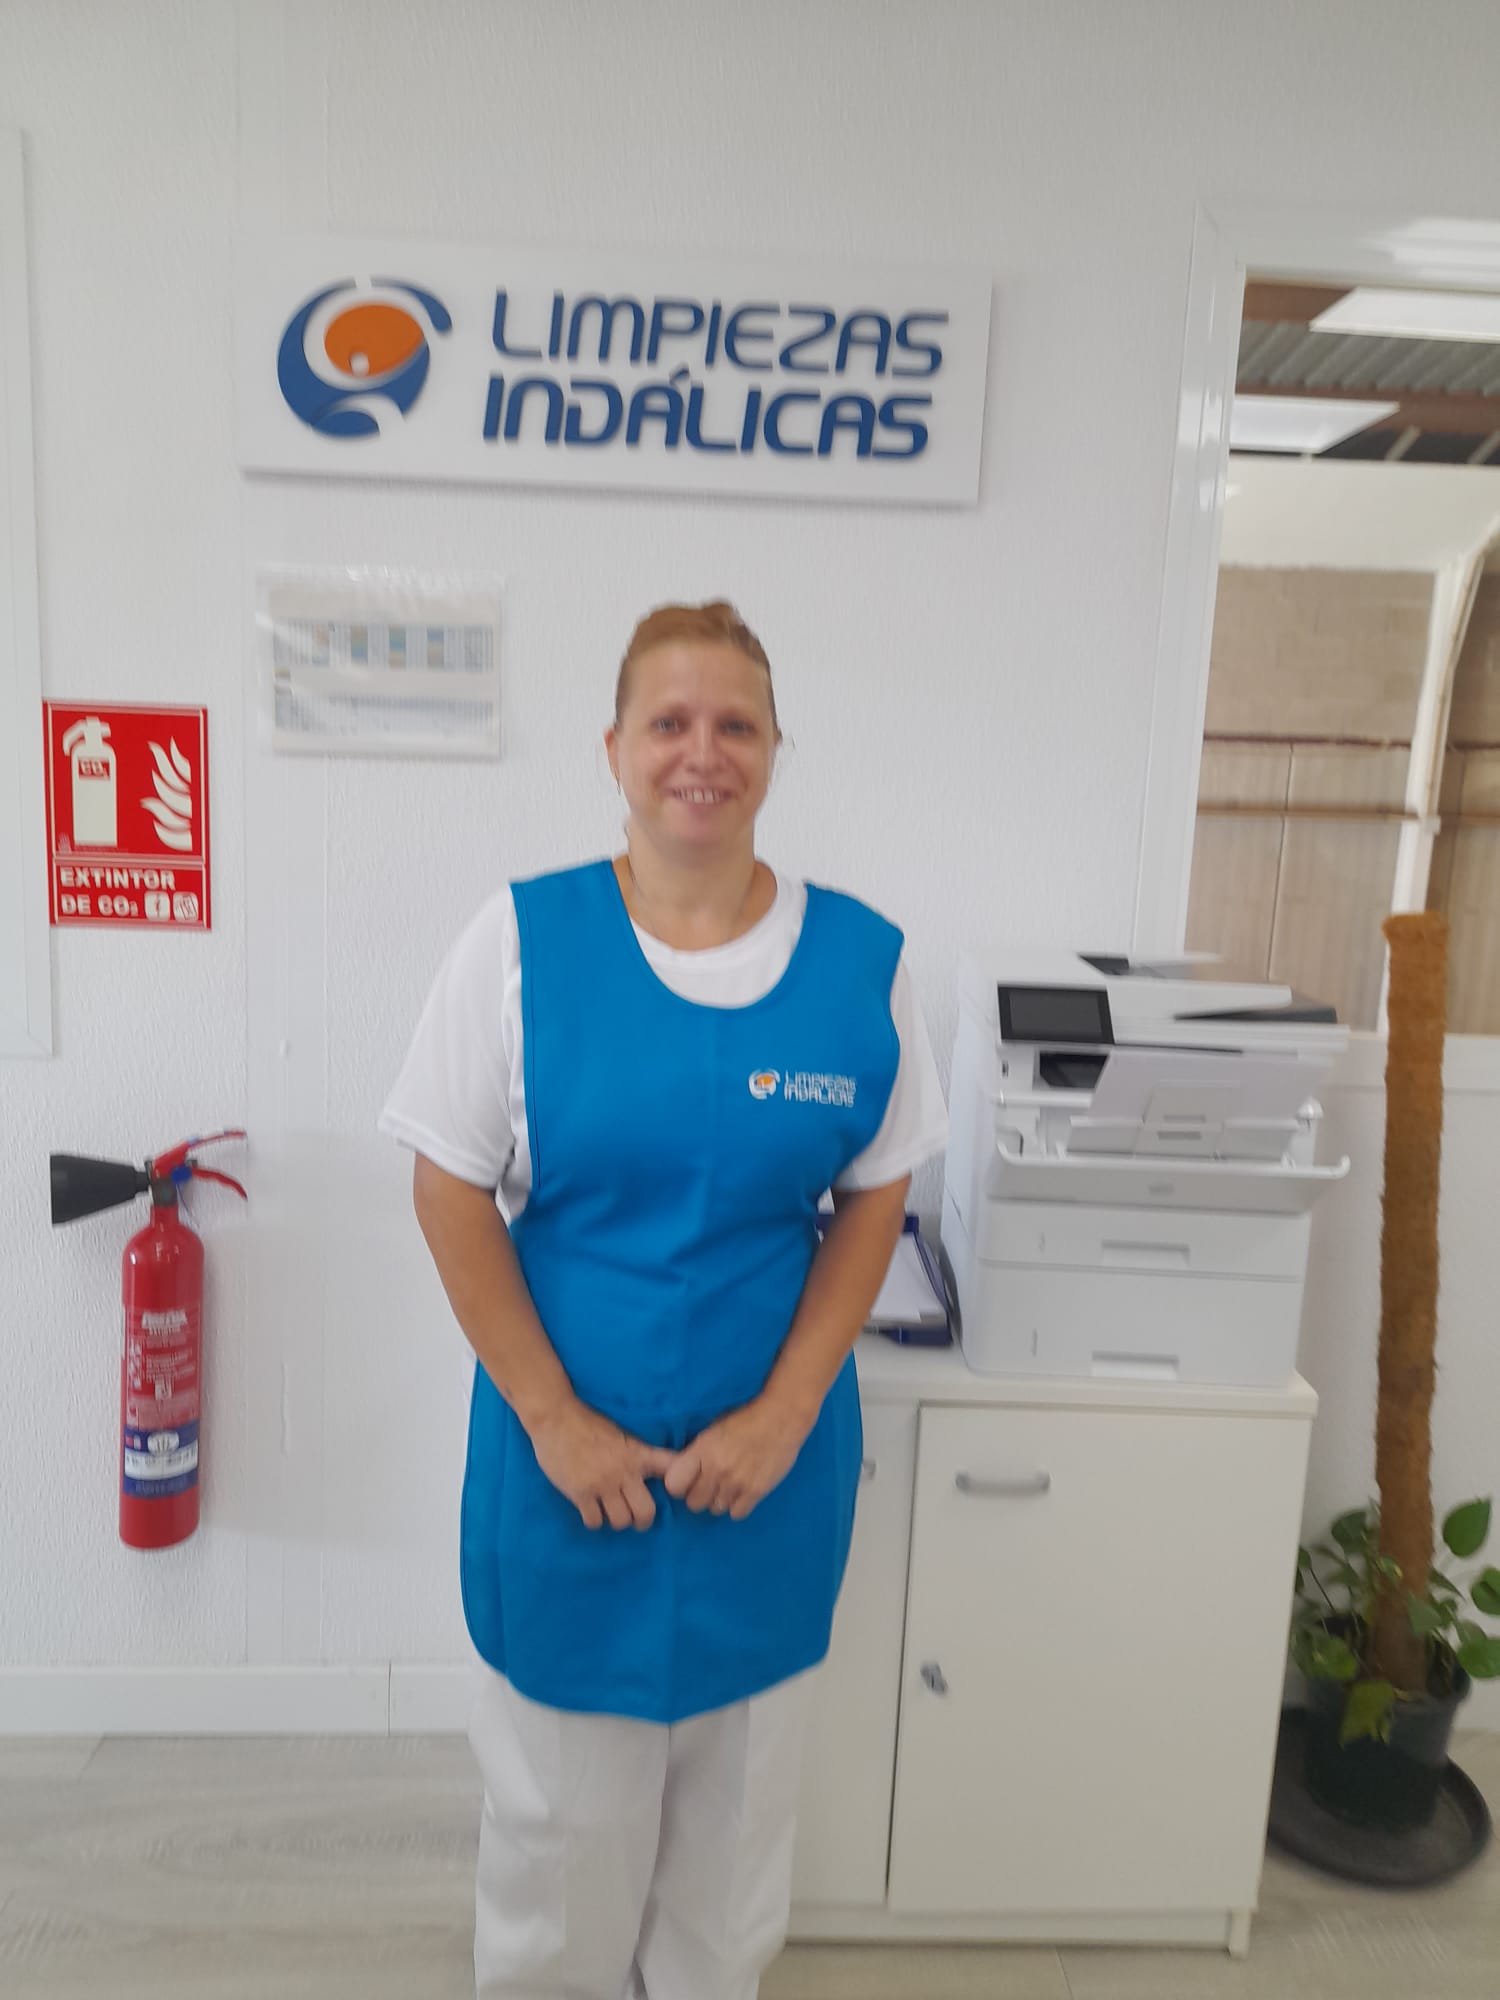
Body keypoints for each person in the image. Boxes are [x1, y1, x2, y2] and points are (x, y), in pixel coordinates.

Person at [379, 600, 948, 2000]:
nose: (704, 752)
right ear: (615, 749)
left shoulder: (860, 965)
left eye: (735, 724)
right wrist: (554, 1419)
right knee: (560, 1837)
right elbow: (449, 1188)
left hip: (768, 1476)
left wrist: (785, 1413)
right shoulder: (521, 944)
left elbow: (877, 1193)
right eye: (670, 722)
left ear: (775, 749)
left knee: (736, 1841)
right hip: (570, 1473)